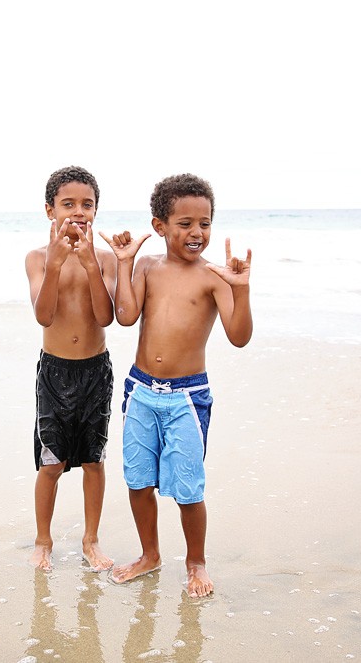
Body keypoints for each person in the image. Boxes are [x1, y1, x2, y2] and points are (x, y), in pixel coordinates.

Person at [100, 173, 252, 598]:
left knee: (188, 487)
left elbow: (239, 336)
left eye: (204, 223)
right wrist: (126, 262)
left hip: (187, 396)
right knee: (137, 481)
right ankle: (150, 555)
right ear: (159, 225)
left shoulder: (214, 277)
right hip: (141, 391)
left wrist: (241, 290)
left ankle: (196, 562)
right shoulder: (147, 267)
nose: (196, 232)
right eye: (184, 223)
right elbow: (126, 316)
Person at [24, 165, 119, 573]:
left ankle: (90, 539)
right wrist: (57, 264)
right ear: (50, 210)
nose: (79, 212)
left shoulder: (106, 258)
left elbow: (105, 316)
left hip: (95, 371)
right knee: (52, 463)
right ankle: (43, 540)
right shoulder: (37, 258)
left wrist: (90, 265)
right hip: (56, 372)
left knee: (94, 460)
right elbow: (44, 316)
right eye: (68, 204)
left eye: (88, 204)